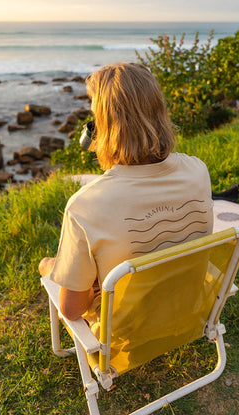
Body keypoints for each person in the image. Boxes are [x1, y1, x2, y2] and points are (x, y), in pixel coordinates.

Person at [39, 62, 213, 333]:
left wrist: (54, 269)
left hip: (126, 335)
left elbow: (72, 310)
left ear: (103, 126)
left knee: (47, 266)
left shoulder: (85, 205)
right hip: (185, 309)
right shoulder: (197, 169)